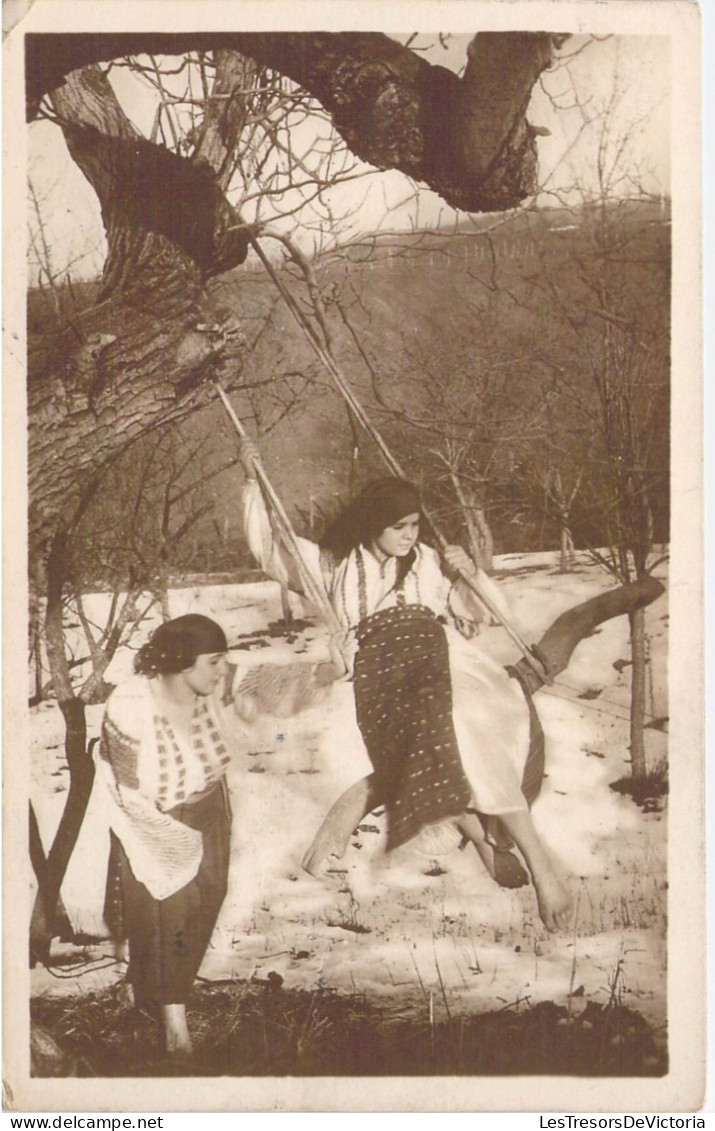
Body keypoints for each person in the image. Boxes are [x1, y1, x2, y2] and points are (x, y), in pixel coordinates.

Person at [239, 445, 571, 932]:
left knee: (460, 729)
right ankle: (486, 841)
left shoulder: (431, 561)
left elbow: (482, 612)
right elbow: (270, 549)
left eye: (414, 526)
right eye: (399, 527)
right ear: (374, 523)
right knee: (426, 741)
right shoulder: (331, 565)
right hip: (383, 674)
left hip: (446, 660)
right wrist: (252, 481)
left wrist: (468, 573)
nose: (408, 536)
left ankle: (539, 867)